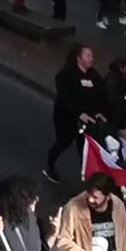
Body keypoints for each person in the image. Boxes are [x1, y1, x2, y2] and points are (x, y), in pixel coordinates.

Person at [54, 172, 126, 251]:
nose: (90, 200)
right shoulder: (73, 207)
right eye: (89, 194)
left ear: (107, 196)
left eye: (95, 197)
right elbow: (63, 240)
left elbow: (124, 239)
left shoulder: (118, 206)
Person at [45, 44, 107, 183]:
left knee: (84, 149)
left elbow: (100, 94)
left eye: (91, 56)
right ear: (78, 58)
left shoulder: (93, 75)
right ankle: (50, 166)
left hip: (86, 122)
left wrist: (98, 112)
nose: (91, 59)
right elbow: (65, 98)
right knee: (63, 142)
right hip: (66, 118)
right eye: (88, 56)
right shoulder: (66, 75)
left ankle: (86, 178)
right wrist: (79, 113)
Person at [103, 58, 126, 144]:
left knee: (118, 140)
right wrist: (125, 97)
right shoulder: (113, 81)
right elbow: (111, 101)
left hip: (122, 113)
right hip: (114, 114)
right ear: (122, 69)